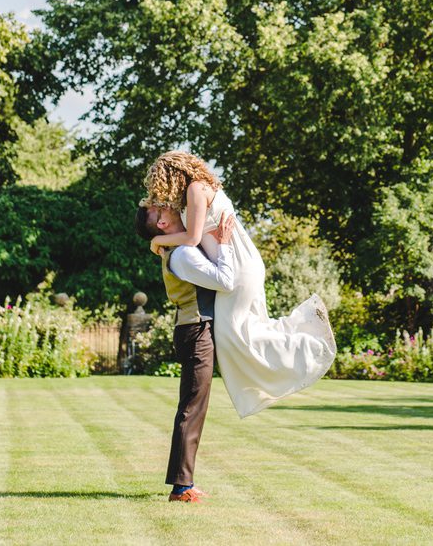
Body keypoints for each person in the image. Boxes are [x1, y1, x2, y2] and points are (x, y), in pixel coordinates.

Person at [143, 150, 335, 418]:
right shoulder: (199, 188)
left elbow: (192, 237)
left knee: (233, 336)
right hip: (238, 262)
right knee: (248, 329)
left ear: (173, 175)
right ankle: (303, 332)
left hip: (236, 266)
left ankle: (308, 344)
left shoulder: (196, 189)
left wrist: (157, 241)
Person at [139, 203, 236, 503]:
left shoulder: (180, 248)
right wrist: (225, 244)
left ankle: (184, 483)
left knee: (195, 406)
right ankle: (181, 487)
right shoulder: (183, 254)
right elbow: (224, 280)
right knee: (192, 406)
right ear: (163, 225)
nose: (167, 207)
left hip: (194, 328)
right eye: (160, 211)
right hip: (195, 331)